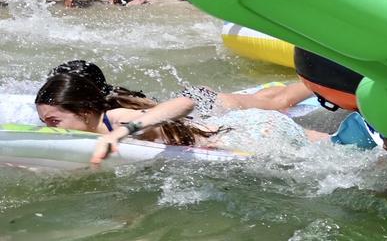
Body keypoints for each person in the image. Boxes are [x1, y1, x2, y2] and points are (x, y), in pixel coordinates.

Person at [36, 62, 317, 165]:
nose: (49, 129)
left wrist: (123, 132)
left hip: (250, 132)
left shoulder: (117, 119)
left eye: (53, 122)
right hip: (230, 127)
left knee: (277, 99)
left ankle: (333, 81)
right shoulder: (97, 124)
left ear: (85, 110)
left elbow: (184, 104)